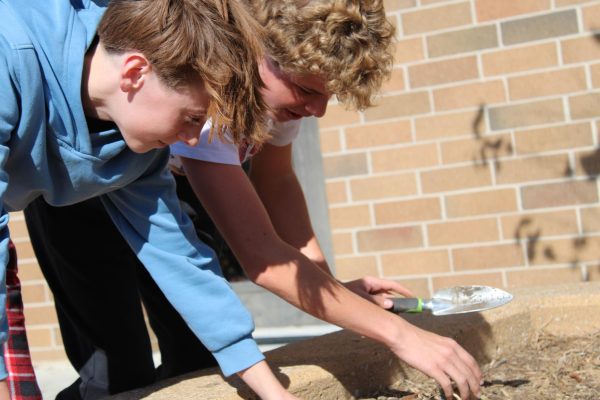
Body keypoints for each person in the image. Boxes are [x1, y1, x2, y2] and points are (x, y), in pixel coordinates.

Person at [24, 1, 483, 400]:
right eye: (306, 91)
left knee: (199, 351)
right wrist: (400, 336)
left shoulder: (276, 100)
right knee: (118, 365)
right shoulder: (204, 93)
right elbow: (262, 258)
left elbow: (278, 184)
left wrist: (337, 292)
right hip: (82, 190)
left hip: (155, 181)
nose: (317, 110)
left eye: (327, 96)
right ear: (259, 55)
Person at [0, 0, 299, 400]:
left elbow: (178, 257)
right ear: (136, 72)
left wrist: (273, 391)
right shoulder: (10, 57)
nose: (193, 141)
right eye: (193, 118)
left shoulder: (140, 153)